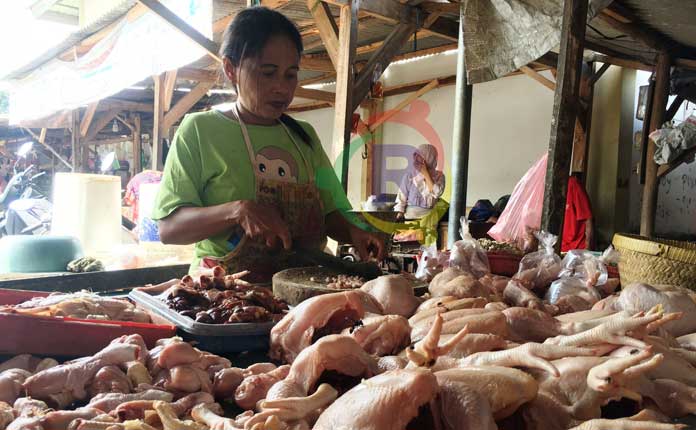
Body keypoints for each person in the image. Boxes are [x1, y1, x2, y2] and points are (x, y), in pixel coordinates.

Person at [152, 7, 384, 280]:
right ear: (231, 69)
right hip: (225, 298)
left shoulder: (303, 136)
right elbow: (169, 229)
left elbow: (330, 211)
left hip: (304, 291)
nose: (282, 88)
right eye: (268, 72)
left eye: (290, 74)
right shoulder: (201, 131)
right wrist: (238, 211)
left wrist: (354, 231)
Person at [393, 144, 447, 246]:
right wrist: (398, 217)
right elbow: (401, 199)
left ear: (429, 158)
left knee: (427, 250)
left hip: (429, 219)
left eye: (420, 158)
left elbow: (437, 193)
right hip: (410, 219)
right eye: (416, 157)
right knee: (411, 247)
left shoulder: (439, 176)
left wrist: (426, 173)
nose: (416, 160)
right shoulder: (409, 176)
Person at [562, 174, 594, 252]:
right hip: (560, 248)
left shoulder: (573, 184)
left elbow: (588, 219)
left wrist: (587, 250)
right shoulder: (549, 187)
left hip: (577, 249)